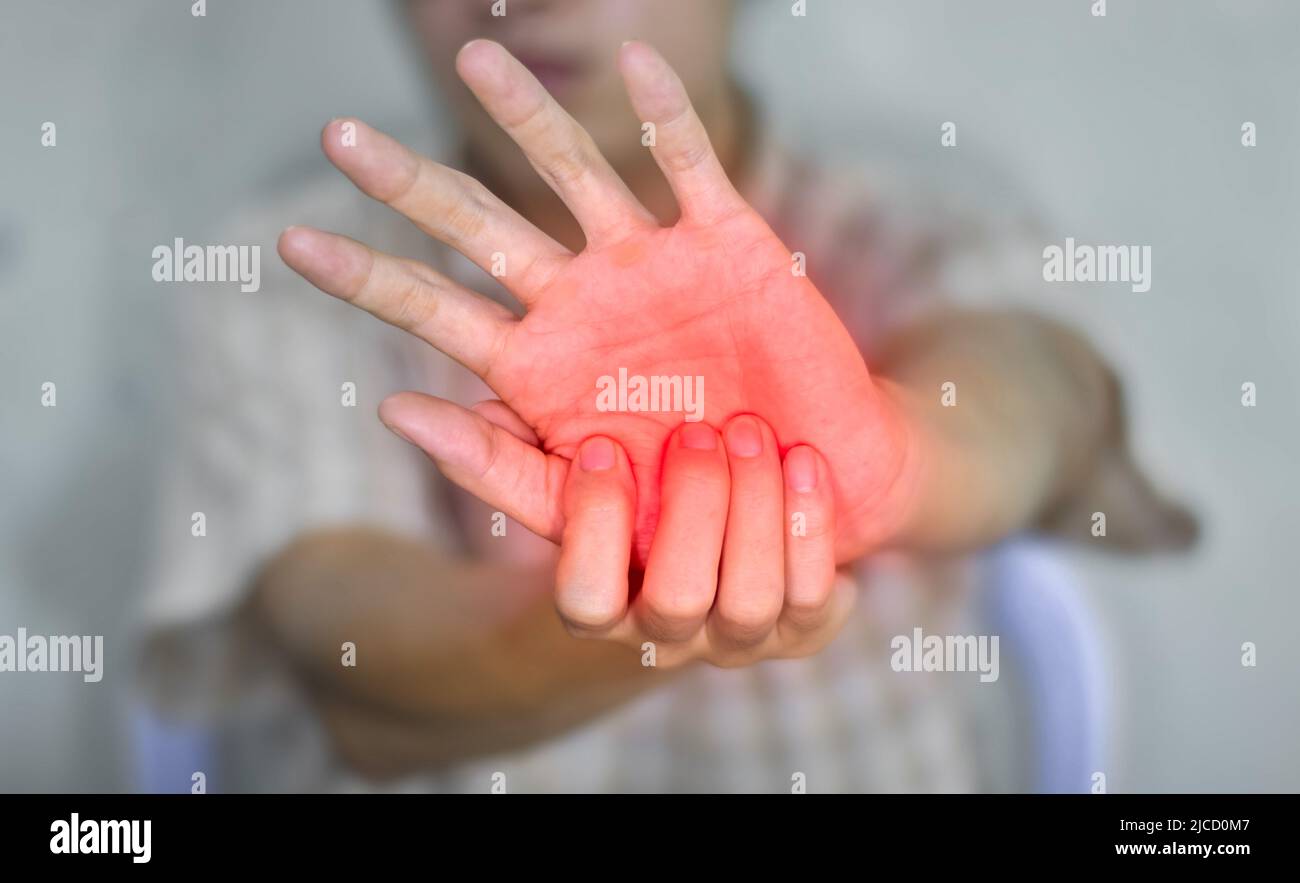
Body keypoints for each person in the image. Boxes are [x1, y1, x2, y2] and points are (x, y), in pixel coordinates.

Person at [141, 0, 1194, 792]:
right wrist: (623, 618)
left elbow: (1039, 393)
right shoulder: (294, 273)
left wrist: (898, 459)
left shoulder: (927, 230)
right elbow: (356, 665)